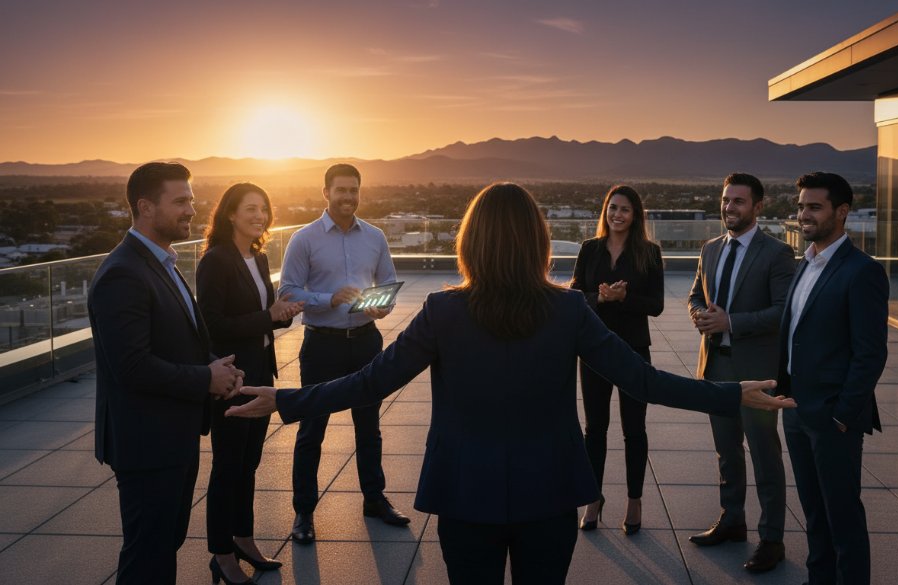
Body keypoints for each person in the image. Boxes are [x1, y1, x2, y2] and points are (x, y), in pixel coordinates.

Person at [227, 182, 796, 585]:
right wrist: (730, 391)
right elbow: (642, 382)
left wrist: (286, 399)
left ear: (471, 240)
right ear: (538, 240)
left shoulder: (443, 312)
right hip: (548, 494)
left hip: (464, 492)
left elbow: (371, 382)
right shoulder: (569, 309)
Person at [88, 162, 243, 585]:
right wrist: (203, 379)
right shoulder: (123, 273)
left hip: (173, 435)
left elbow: (182, 337)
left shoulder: (164, 261)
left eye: (191, 199)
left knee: (163, 545)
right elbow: (131, 366)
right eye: (180, 201)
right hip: (146, 443)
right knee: (147, 557)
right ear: (145, 207)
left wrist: (218, 368)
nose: (191, 209)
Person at [278, 163, 408, 544]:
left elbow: (386, 284)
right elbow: (288, 293)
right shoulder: (304, 239)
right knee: (311, 428)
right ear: (326, 193)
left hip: (366, 340)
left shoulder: (375, 236)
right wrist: (327, 298)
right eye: (341, 190)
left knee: (369, 427)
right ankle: (303, 512)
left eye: (354, 190)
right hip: (322, 344)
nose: (348, 197)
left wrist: (381, 306)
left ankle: (374, 498)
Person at [780, 172, 888, 585]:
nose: (804, 214)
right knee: (813, 515)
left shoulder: (862, 272)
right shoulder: (802, 263)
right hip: (795, 410)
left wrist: (843, 414)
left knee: (842, 518)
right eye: (802, 206)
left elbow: (870, 353)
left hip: (833, 419)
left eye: (814, 207)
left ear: (841, 213)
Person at [687, 173, 795, 572]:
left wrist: (732, 321)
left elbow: (784, 311)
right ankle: (732, 520)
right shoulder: (710, 248)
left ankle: (772, 539)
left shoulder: (777, 253)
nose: (729, 207)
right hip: (716, 365)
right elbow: (696, 294)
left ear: (758, 207)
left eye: (738, 201)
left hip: (757, 372)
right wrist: (700, 314)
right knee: (726, 451)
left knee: (765, 453)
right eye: (726, 200)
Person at [196, 183, 304, 584]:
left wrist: (283, 314)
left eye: (264, 209)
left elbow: (265, 314)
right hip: (232, 376)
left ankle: (243, 538)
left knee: (249, 464)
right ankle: (221, 554)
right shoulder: (216, 260)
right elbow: (212, 326)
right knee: (227, 467)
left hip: (261, 371)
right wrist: (268, 317)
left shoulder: (257, 258)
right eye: (250, 209)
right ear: (230, 215)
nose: (259, 216)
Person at [571, 185, 663, 535]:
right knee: (595, 429)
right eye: (612, 208)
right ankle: (593, 499)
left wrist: (624, 299)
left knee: (634, 429)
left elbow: (655, 304)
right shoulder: (589, 249)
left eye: (625, 209)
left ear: (635, 215)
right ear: (605, 211)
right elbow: (576, 295)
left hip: (633, 350)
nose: (617, 215)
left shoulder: (649, 253)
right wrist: (601, 297)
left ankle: (634, 500)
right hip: (594, 349)